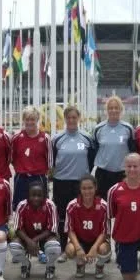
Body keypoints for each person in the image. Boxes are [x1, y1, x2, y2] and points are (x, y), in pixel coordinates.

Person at [52, 106, 95, 262]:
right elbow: (53, 160)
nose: (71, 120)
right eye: (68, 117)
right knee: (62, 216)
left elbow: (91, 160)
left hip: (80, 184)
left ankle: (82, 248)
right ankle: (64, 249)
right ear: (65, 119)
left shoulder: (87, 138)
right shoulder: (57, 139)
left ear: (79, 119)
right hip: (61, 182)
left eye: (74, 117)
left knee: (80, 216)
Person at [9, 182, 61, 280]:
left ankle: (50, 266)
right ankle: (25, 264)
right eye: (33, 195)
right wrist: (29, 241)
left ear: (44, 196)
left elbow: (52, 229)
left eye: (39, 195)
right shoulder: (22, 205)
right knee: (14, 246)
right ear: (28, 195)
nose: (36, 198)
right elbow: (17, 228)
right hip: (27, 238)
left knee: (54, 246)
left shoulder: (50, 205)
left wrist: (34, 241)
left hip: (44, 238)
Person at [64, 175, 111, 278]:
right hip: (80, 240)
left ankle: (99, 265)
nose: (87, 191)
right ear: (80, 189)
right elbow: (70, 230)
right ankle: (80, 264)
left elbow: (105, 231)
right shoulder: (72, 205)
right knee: (70, 250)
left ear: (95, 188)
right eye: (84, 188)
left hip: (98, 240)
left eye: (90, 188)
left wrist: (94, 248)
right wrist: (78, 247)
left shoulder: (103, 206)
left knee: (104, 249)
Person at [92, 96, 136, 199]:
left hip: (122, 174)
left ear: (121, 110)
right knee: (103, 203)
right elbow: (94, 151)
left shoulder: (128, 129)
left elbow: (133, 151)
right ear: (106, 110)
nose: (113, 110)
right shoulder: (98, 129)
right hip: (103, 174)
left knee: (122, 202)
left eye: (116, 108)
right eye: (110, 108)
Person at [11, 106, 52, 212]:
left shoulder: (45, 138)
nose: (30, 122)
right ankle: (19, 227)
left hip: (38, 178)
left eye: (32, 119)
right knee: (20, 206)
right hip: (21, 178)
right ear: (23, 120)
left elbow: (50, 161)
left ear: (37, 120)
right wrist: (21, 168)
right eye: (27, 119)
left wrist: (43, 172)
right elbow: (12, 157)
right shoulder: (16, 137)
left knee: (41, 206)